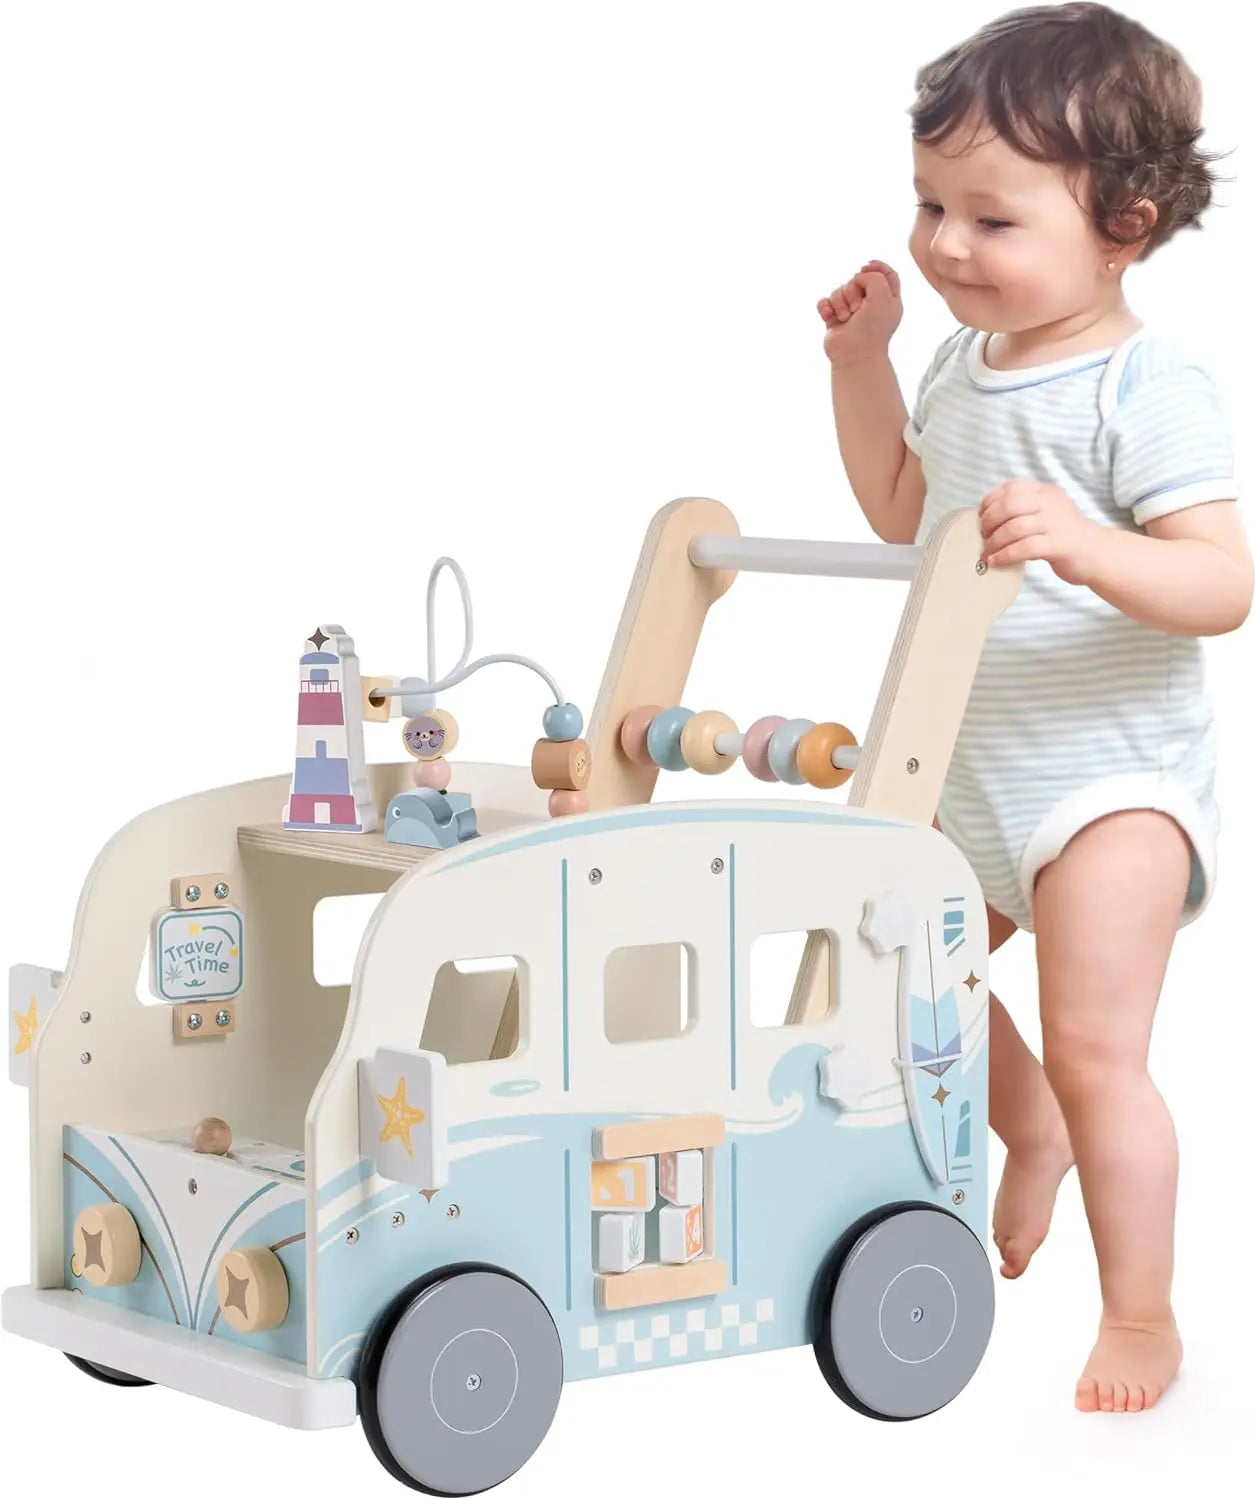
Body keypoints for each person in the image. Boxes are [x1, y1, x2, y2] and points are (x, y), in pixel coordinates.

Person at [818, 2, 1250, 1413]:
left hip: (1102, 785)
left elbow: (1217, 585)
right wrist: (861, 367)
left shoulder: (1143, 386)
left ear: (1120, 222)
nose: (945, 244)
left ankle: (1138, 1313)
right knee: (880, 969)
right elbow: (902, 516)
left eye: (990, 220)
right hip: (961, 758)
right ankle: (1028, 1126)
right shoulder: (957, 365)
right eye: (930, 205)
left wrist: (1080, 541)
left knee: (1093, 1041)